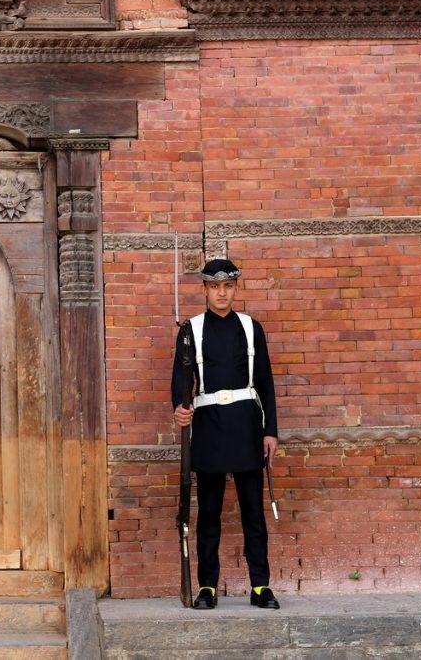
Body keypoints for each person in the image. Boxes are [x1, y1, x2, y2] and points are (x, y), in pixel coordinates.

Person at [172, 258, 280, 610]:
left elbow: (265, 382)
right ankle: (207, 587)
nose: (222, 292)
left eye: (228, 286)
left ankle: (260, 586)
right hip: (208, 427)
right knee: (209, 515)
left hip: (247, 426)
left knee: (253, 513)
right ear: (204, 289)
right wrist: (179, 405)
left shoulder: (251, 328)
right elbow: (180, 380)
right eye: (215, 286)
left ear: (235, 288)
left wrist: (271, 431)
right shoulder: (190, 330)